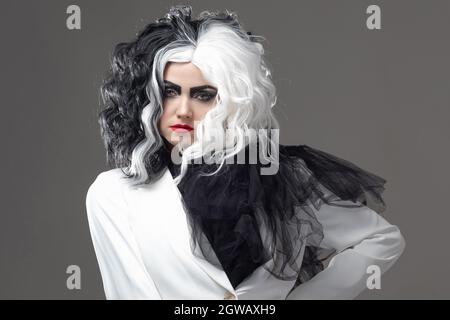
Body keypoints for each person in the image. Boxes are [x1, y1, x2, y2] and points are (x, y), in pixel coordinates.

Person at [85, 5, 405, 300]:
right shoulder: (114, 194)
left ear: (230, 104)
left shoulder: (281, 178)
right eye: (170, 92)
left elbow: (381, 240)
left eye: (203, 95)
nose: (183, 110)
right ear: (147, 97)